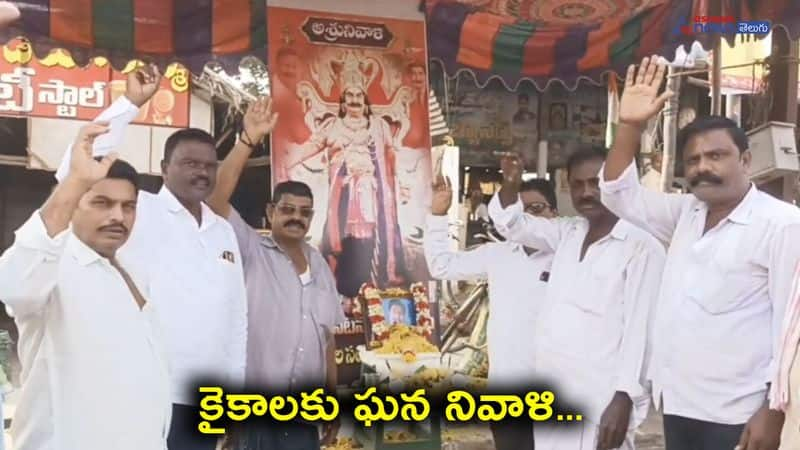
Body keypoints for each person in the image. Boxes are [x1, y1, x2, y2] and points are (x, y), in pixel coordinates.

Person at [600, 56, 800, 450]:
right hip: (678, 406)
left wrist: (773, 410)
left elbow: (791, 332)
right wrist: (630, 126)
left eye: (716, 156)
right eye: (692, 160)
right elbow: (616, 194)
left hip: (740, 415)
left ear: (745, 160)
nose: (701, 167)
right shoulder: (685, 215)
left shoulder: (782, 225)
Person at [55, 66, 247, 450]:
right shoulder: (139, 211)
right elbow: (75, 168)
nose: (202, 172)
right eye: (190, 163)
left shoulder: (223, 230)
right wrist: (129, 104)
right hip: (150, 390)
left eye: (209, 165)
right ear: (163, 169)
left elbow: (236, 318)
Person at [0, 124, 171, 449]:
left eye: (128, 206)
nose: (117, 216)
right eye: (102, 203)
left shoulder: (129, 267)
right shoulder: (54, 265)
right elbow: (13, 285)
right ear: (74, 202)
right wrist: (75, 181)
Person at [490, 148, 665, 450]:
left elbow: (643, 332)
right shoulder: (568, 233)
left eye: (596, 183)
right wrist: (510, 182)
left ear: (615, 184)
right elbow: (511, 224)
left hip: (600, 403)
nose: (587, 193)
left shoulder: (642, 246)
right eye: (578, 184)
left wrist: (624, 398)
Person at [206, 97, 346, 449]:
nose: (295, 217)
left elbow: (327, 344)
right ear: (270, 212)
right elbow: (215, 200)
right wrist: (247, 140)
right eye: (287, 209)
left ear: (312, 218)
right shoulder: (252, 250)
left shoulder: (322, 270)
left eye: (304, 212)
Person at [425, 175, 559, 450]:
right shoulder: (498, 254)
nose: (527, 219)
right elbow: (441, 266)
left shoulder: (572, 256)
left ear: (554, 214)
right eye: (521, 210)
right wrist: (438, 215)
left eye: (536, 209)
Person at [286, 78, 408, 298]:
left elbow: (390, 155)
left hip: (372, 193)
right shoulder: (333, 126)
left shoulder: (379, 126)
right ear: (343, 104)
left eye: (359, 96)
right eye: (349, 96)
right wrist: (288, 162)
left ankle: (372, 285)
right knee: (343, 240)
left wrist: (400, 184)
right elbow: (313, 145)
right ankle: (345, 289)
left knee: (371, 237)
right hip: (344, 194)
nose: (354, 100)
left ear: (365, 102)